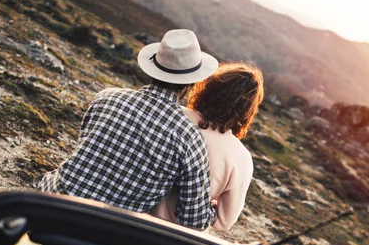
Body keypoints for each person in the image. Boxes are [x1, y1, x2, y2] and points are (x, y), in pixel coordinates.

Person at [39, 29, 219, 231]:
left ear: (154, 69)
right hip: (102, 230)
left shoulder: (106, 97)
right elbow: (192, 219)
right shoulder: (189, 137)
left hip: (50, 204)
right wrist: (211, 211)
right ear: (189, 85)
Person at [151, 62, 264, 231]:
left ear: (208, 89)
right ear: (247, 110)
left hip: (132, 218)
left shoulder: (171, 114)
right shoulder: (240, 157)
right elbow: (223, 222)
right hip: (178, 238)